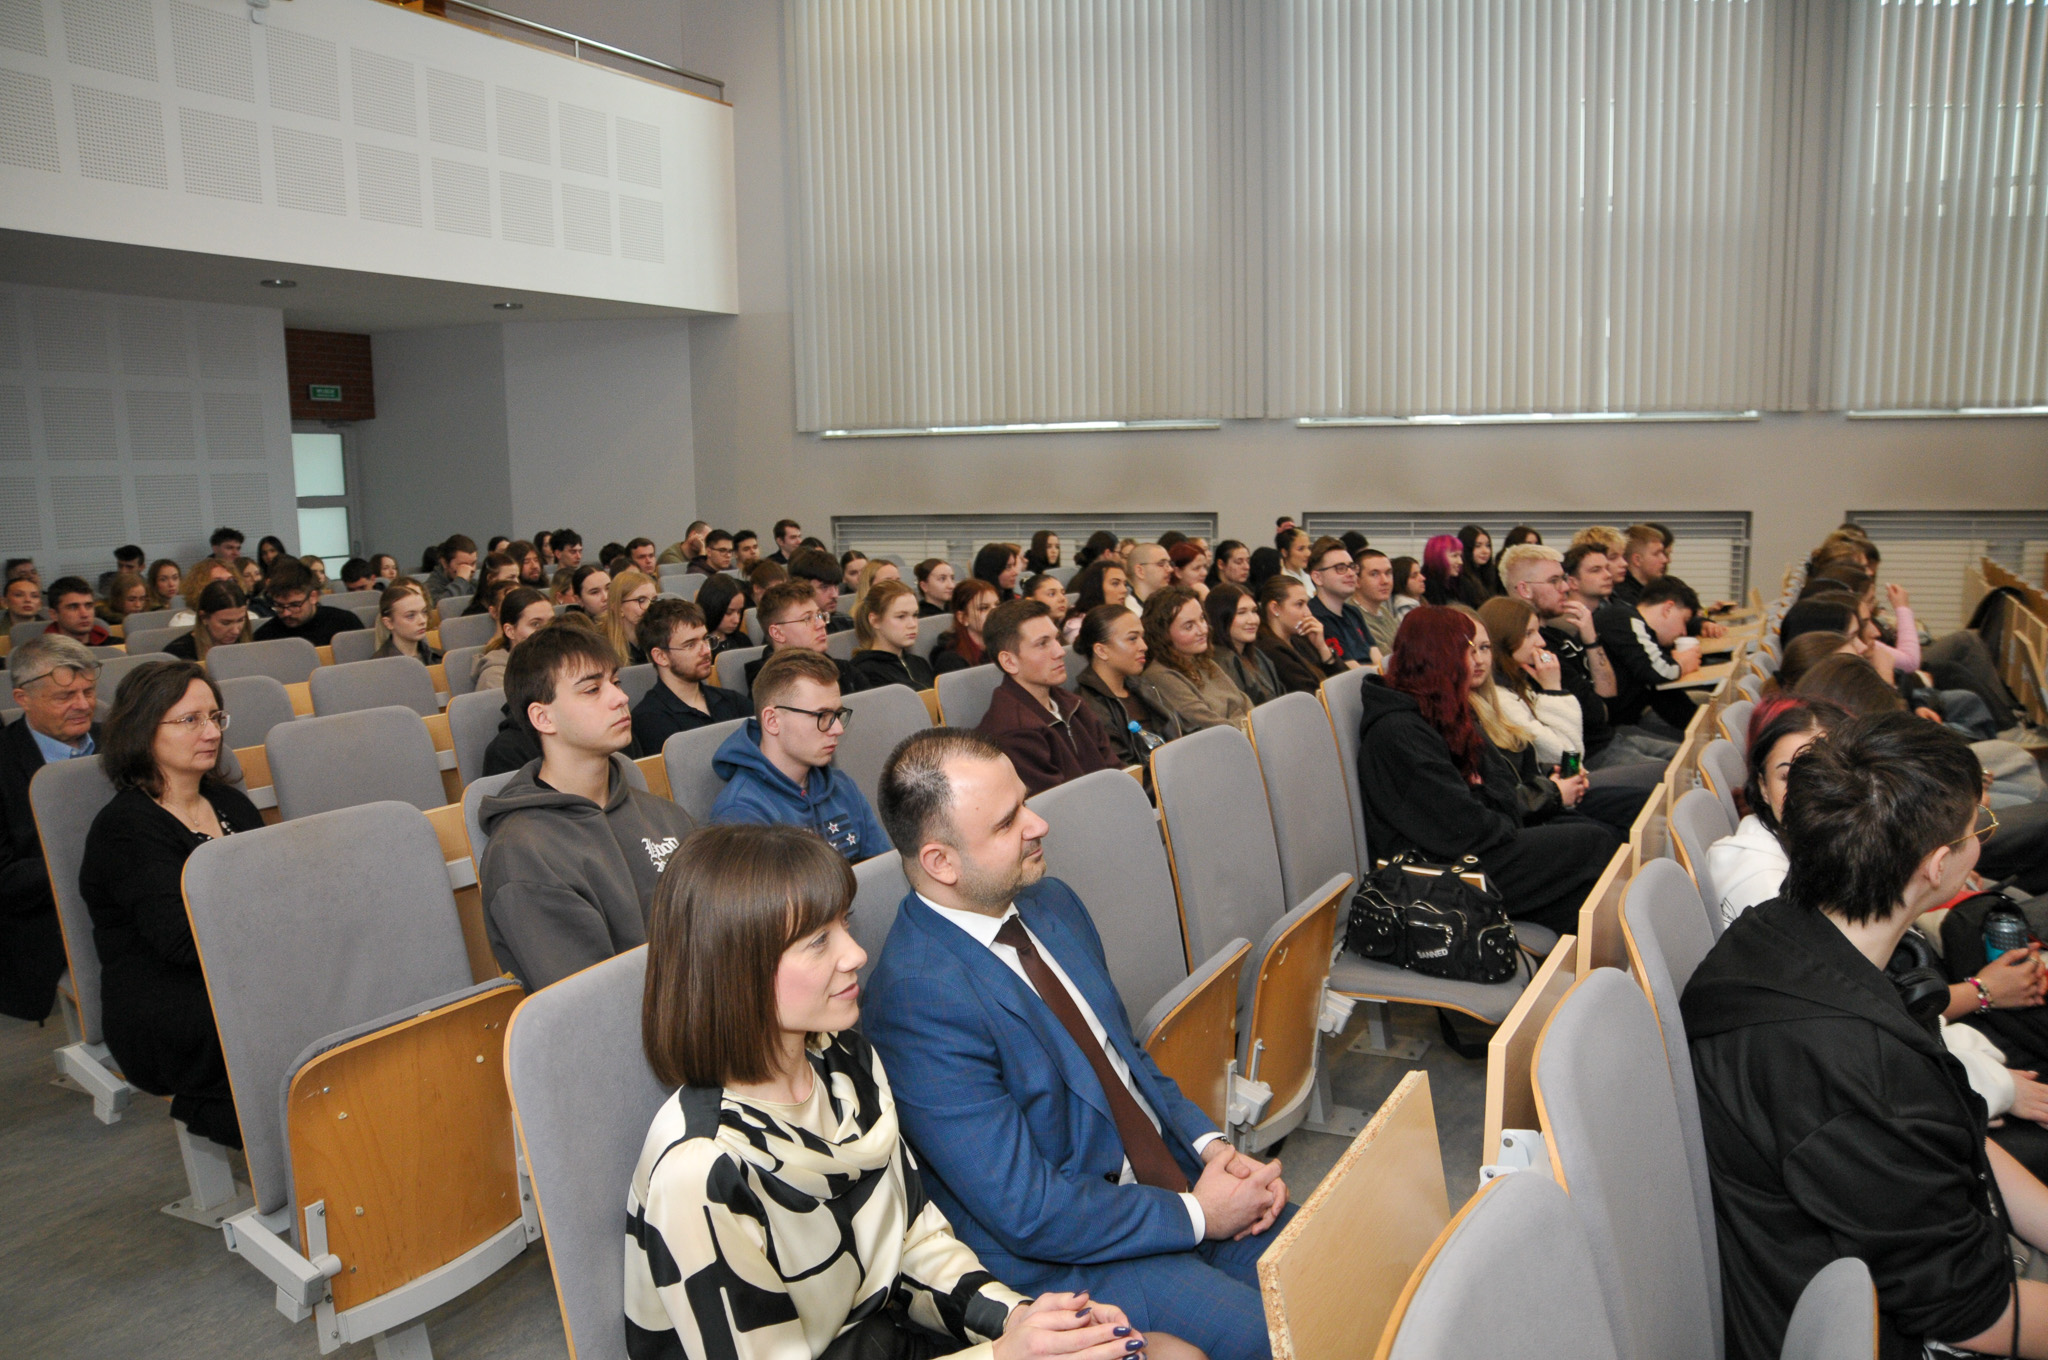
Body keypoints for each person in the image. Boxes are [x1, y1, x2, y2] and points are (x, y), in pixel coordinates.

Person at [626, 821, 1156, 1360]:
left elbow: (913, 1243)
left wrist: (1021, 1320)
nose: (856, 953)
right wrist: (1003, 1355)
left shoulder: (843, 1062)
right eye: (818, 941)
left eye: (843, 924)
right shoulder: (700, 1169)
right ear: (737, 971)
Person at [864, 730, 1291, 1360]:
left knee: (1331, 1260)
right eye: (1008, 821)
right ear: (941, 863)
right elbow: (1028, 1208)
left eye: (1025, 801)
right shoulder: (914, 999)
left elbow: (1127, 1061)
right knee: (1275, 1338)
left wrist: (1213, 1149)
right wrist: (1199, 1215)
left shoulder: (1051, 904)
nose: (1038, 824)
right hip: (1073, 1256)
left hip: (1175, 1181)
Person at [1682, 713, 2048, 1360]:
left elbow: (1961, 1136)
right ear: (1938, 865)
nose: (1981, 843)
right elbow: (1974, 1314)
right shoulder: (1853, 1061)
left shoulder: (1785, 932)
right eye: (1978, 829)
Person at [82, 659, 262, 1148]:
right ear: (143, 731)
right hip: (168, 1006)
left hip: (238, 975)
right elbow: (183, 943)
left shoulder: (229, 803)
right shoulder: (125, 829)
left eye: (215, 717)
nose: (212, 732)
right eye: (190, 720)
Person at [1355, 608, 1616, 935]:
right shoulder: (1399, 732)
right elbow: (1462, 826)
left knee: (1581, 881)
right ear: (1441, 657)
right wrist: (1498, 807)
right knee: (1593, 844)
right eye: (1468, 651)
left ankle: (1594, 958)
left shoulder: (1437, 712)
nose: (1477, 661)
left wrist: (1492, 801)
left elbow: (1494, 790)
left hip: (1469, 849)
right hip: (1436, 875)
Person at [475, 625, 694, 991]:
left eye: (616, 682)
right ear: (543, 718)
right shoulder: (522, 854)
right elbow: (593, 1001)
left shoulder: (665, 815)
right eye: (592, 689)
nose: (620, 698)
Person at [1466, 609, 1646, 838]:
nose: (1541, 642)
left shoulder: (1519, 683)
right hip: (1577, 771)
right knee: (1620, 822)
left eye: (1484, 648)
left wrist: (1554, 773)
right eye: (1529, 633)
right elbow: (1567, 751)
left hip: (1557, 782)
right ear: (1505, 642)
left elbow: (1603, 708)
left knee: (1642, 801)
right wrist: (1553, 688)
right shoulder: (1501, 699)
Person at [1500, 543, 1677, 768]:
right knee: (1677, 773)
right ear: (1525, 590)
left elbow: (1609, 698)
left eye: (1563, 579)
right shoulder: (1533, 651)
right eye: (1554, 581)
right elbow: (1595, 715)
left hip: (1611, 738)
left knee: (1694, 754)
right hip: (1588, 756)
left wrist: (1591, 640)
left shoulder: (1560, 634)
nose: (1565, 587)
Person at [0, 637, 100, 1022]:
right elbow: (5, 876)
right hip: (43, 918)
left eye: (88, 691)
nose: (83, 705)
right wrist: (90, 862)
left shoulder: (121, 742)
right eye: (65, 696)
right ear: (23, 699)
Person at [710, 650, 890, 861]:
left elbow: (883, 870)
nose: (838, 729)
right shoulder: (740, 814)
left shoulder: (842, 786)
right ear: (772, 721)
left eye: (837, 715)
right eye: (822, 715)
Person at [978, 600, 1121, 796]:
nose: (1060, 651)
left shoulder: (1073, 703)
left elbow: (1116, 771)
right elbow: (1057, 806)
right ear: (1009, 661)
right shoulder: (1013, 732)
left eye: (1056, 639)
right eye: (1042, 644)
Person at [631, 598, 750, 752]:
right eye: (690, 645)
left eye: (705, 639)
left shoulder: (731, 700)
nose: (706, 650)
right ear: (661, 656)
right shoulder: (648, 720)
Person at [1133, 587, 1251, 736]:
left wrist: (1254, 727)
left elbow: (1244, 702)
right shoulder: (1160, 676)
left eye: (1202, 619)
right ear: (1163, 635)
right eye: (1189, 626)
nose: (1203, 630)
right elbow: (1209, 726)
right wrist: (1250, 728)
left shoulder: (1204, 662)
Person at [1594, 575, 1704, 735]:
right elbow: (1658, 671)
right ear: (1668, 609)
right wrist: (1682, 664)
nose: (1683, 632)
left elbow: (1662, 694)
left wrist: (1701, 728)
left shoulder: (1641, 629)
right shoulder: (1625, 617)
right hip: (1607, 732)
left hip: (1622, 723)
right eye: (1684, 621)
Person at [1074, 605, 1177, 770]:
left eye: (1142, 637)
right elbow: (1125, 772)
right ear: (1101, 651)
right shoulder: (1089, 707)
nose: (1144, 646)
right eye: (1132, 639)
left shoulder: (1143, 687)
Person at [746, 579, 855, 692]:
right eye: (807, 618)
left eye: (819, 615)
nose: (821, 624)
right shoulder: (770, 690)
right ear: (777, 633)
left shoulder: (843, 670)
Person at [1250, 576, 1341, 696]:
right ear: (1275, 608)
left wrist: (1322, 647)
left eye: (1307, 604)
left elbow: (1344, 683)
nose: (1308, 613)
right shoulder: (1270, 650)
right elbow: (1312, 694)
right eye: (1299, 604)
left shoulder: (1300, 640)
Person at [844, 579, 936, 693]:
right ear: (875, 621)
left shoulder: (919, 663)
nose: (913, 624)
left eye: (915, 615)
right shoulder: (864, 671)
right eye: (901, 616)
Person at [253, 559, 363, 646]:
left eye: (295, 605)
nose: (286, 613)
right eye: (279, 606)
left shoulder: (346, 623)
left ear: (313, 597)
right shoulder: (264, 637)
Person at [1302, 538, 1374, 669]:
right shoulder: (1314, 616)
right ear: (1317, 577)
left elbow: (1376, 657)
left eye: (1352, 567)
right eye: (1340, 568)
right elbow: (1351, 671)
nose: (1351, 573)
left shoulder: (1353, 612)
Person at [1205, 585, 1281, 707]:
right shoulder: (1220, 663)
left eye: (1254, 611)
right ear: (1221, 618)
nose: (1253, 620)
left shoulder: (1258, 655)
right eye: (1241, 613)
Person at [472, 587, 551, 691]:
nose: (548, 631)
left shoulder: (557, 662)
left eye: (551, 622)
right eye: (535, 624)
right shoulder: (495, 676)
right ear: (510, 631)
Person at [163, 582, 251, 661]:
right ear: (204, 618)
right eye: (226, 623)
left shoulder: (248, 644)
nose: (236, 631)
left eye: (240, 620)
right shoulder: (178, 653)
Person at [933, 579, 1000, 677]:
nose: (995, 612)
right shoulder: (951, 661)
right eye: (984, 608)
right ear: (963, 618)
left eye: (997, 605)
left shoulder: (1006, 646)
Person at [364, 582, 439, 664]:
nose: (422, 621)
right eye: (410, 616)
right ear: (388, 623)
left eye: (424, 612)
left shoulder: (440, 658)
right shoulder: (378, 666)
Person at [788, 549, 855, 633]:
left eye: (835, 586)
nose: (834, 595)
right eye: (824, 587)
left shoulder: (847, 624)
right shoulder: (792, 632)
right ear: (802, 590)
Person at [1351, 549, 1400, 658]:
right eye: (1374, 574)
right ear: (1356, 581)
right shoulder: (1352, 618)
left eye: (1388, 573)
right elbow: (1388, 660)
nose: (1385, 581)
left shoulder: (1383, 611)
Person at [604, 569, 658, 665]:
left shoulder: (661, 637)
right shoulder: (603, 648)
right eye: (641, 600)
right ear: (618, 608)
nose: (650, 607)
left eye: (654, 600)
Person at [1606, 523, 1667, 607]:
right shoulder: (1624, 598)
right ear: (1637, 560)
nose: (1664, 560)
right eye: (1656, 554)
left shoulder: (1653, 592)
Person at [43, 577, 111, 646]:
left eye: (88, 606)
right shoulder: (42, 650)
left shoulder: (113, 645)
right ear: (54, 614)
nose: (84, 614)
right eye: (73, 607)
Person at [695, 574, 750, 657]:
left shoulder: (742, 640)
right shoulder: (699, 648)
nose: (737, 620)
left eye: (739, 611)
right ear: (713, 608)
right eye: (729, 612)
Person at [1421, 534, 1475, 607]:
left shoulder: (1463, 584)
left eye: (1460, 556)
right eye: (1454, 556)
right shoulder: (1427, 586)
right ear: (1438, 557)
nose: (1460, 562)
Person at [424, 534, 478, 604]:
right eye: (463, 565)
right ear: (444, 563)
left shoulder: (475, 585)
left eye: (473, 563)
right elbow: (444, 606)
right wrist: (461, 580)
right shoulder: (429, 588)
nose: (470, 569)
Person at [1123, 544, 1172, 615]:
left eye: (1169, 564)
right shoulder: (1129, 615)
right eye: (1161, 564)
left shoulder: (1167, 606)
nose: (1170, 569)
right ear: (1140, 571)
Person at [1458, 525, 1503, 599]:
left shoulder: (1493, 573)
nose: (1485, 551)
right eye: (1478, 546)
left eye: (1488, 545)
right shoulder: (1461, 579)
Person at [1388, 555, 1425, 622]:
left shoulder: (1420, 603)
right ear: (1401, 580)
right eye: (1414, 576)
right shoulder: (1405, 611)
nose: (1422, 578)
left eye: (1420, 573)